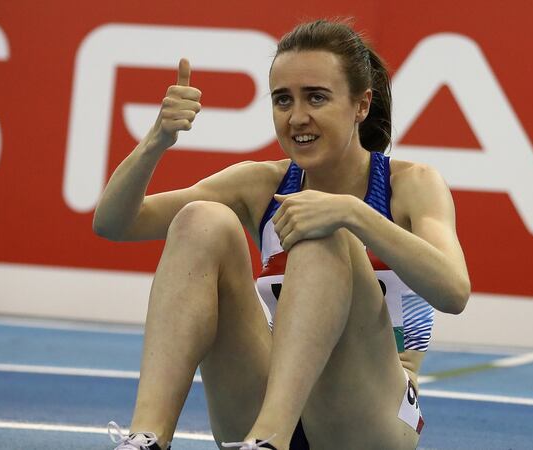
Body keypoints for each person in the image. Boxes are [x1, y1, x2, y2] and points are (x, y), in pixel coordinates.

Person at [95, 19, 470, 450]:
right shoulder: (260, 185)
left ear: (361, 105)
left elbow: (453, 292)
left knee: (322, 231)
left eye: (316, 98)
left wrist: (351, 214)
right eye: (282, 100)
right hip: (269, 395)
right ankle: (146, 439)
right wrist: (156, 141)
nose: (297, 117)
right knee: (201, 219)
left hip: (369, 419)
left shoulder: (412, 185)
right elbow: (114, 223)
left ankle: (268, 442)